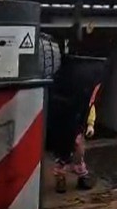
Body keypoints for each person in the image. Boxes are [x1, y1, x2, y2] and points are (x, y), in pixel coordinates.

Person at [46, 55, 108, 193]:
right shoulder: (73, 90)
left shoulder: (79, 91)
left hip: (74, 127)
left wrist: (90, 124)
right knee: (64, 155)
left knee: (77, 152)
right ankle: (63, 179)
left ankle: (79, 177)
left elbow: (90, 107)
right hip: (66, 127)